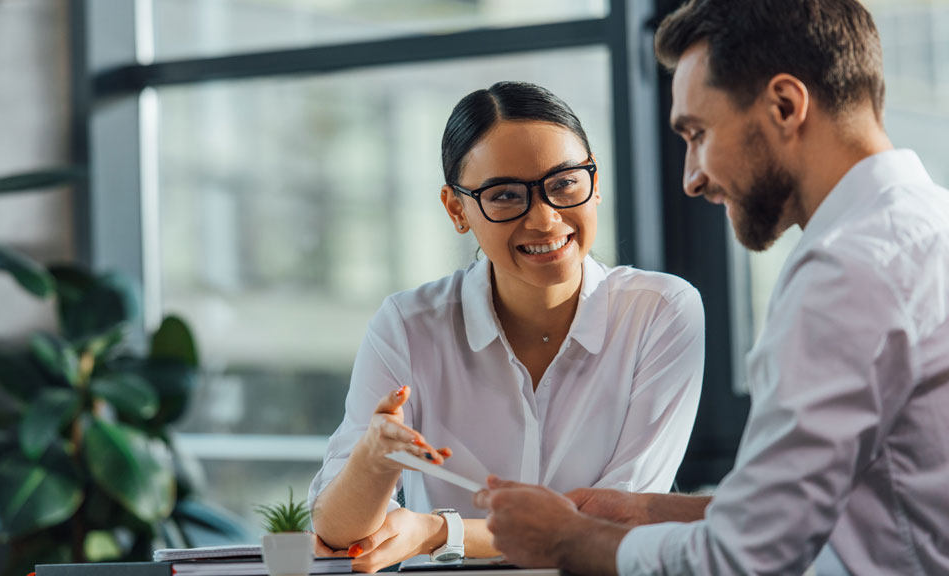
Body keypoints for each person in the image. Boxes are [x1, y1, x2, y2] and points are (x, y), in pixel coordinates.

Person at [474, 1, 949, 575]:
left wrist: (567, 542)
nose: (692, 178)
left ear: (784, 105)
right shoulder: (926, 227)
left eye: (698, 133)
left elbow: (742, 560)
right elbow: (870, 500)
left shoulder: (847, 271)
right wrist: (654, 511)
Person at [308, 81, 705, 572]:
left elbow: (619, 517)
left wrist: (438, 531)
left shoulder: (662, 311)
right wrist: (374, 459)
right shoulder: (407, 326)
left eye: (564, 184)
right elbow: (336, 532)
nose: (544, 219)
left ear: (595, 182)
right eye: (505, 195)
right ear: (457, 209)